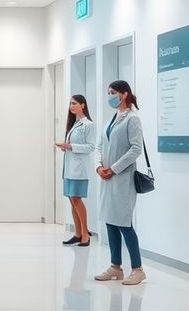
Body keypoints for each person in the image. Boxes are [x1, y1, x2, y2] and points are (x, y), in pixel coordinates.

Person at [93, 80, 147, 286]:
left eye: (113, 92)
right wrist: (99, 166)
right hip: (107, 178)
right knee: (110, 221)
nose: (110, 96)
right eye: (108, 92)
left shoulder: (132, 119)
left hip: (122, 178)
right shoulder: (111, 120)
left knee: (124, 223)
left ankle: (138, 269)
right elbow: (99, 146)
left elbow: (135, 149)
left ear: (124, 94)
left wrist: (113, 168)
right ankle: (115, 267)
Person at [56, 95, 95, 246]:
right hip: (70, 169)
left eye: (74, 103)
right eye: (70, 104)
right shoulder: (74, 124)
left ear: (83, 105)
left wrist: (71, 146)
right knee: (72, 201)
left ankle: (85, 235)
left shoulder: (88, 125)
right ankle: (77, 234)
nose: (71, 106)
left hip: (79, 170)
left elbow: (91, 147)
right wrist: (65, 148)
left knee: (76, 199)